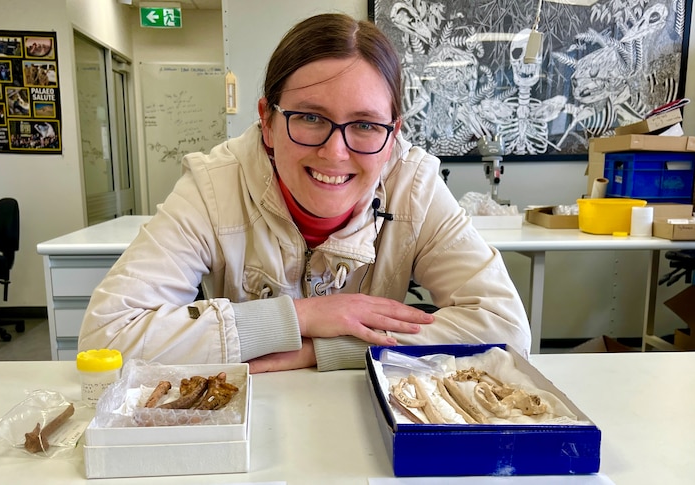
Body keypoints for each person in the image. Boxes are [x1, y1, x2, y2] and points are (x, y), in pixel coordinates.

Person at [79, 13, 531, 373]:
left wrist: (326, 349)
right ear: (268, 121)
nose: (336, 152)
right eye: (311, 118)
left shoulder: (415, 187)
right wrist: (299, 317)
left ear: (392, 134)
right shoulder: (213, 185)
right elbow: (107, 334)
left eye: (366, 124)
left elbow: (506, 328)